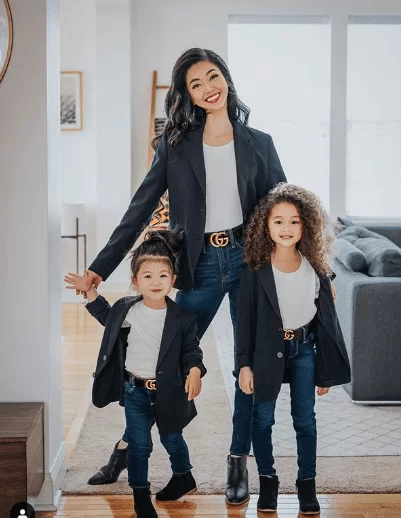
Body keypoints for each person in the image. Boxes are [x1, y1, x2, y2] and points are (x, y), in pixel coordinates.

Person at [76, 47, 286, 503]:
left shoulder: (260, 143)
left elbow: (283, 210)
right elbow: (139, 210)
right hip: (200, 266)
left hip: (249, 261)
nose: (208, 88)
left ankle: (237, 465)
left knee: (246, 366)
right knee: (164, 360)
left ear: (226, 80)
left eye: (213, 77)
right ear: (187, 95)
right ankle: (127, 444)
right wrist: (98, 268)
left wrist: (303, 267)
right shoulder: (174, 146)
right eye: (196, 84)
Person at [65, 229, 206, 518]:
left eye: (163, 276)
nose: (156, 282)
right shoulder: (127, 310)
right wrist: (90, 291)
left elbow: (192, 350)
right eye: (148, 276)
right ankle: (141, 495)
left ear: (173, 280)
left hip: (169, 390)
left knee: (173, 439)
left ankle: (183, 476)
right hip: (135, 392)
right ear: (135, 281)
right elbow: (105, 315)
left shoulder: (182, 318)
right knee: (140, 446)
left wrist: (194, 370)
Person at [236, 183, 351, 514]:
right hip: (264, 353)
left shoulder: (315, 268)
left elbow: (326, 324)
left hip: (304, 351)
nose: (286, 229)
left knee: (305, 420)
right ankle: (267, 482)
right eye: (278, 221)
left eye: (295, 221)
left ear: (307, 225)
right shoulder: (255, 269)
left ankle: (307, 486)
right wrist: (244, 365)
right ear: (265, 225)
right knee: (263, 419)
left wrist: (326, 369)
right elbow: (244, 324)